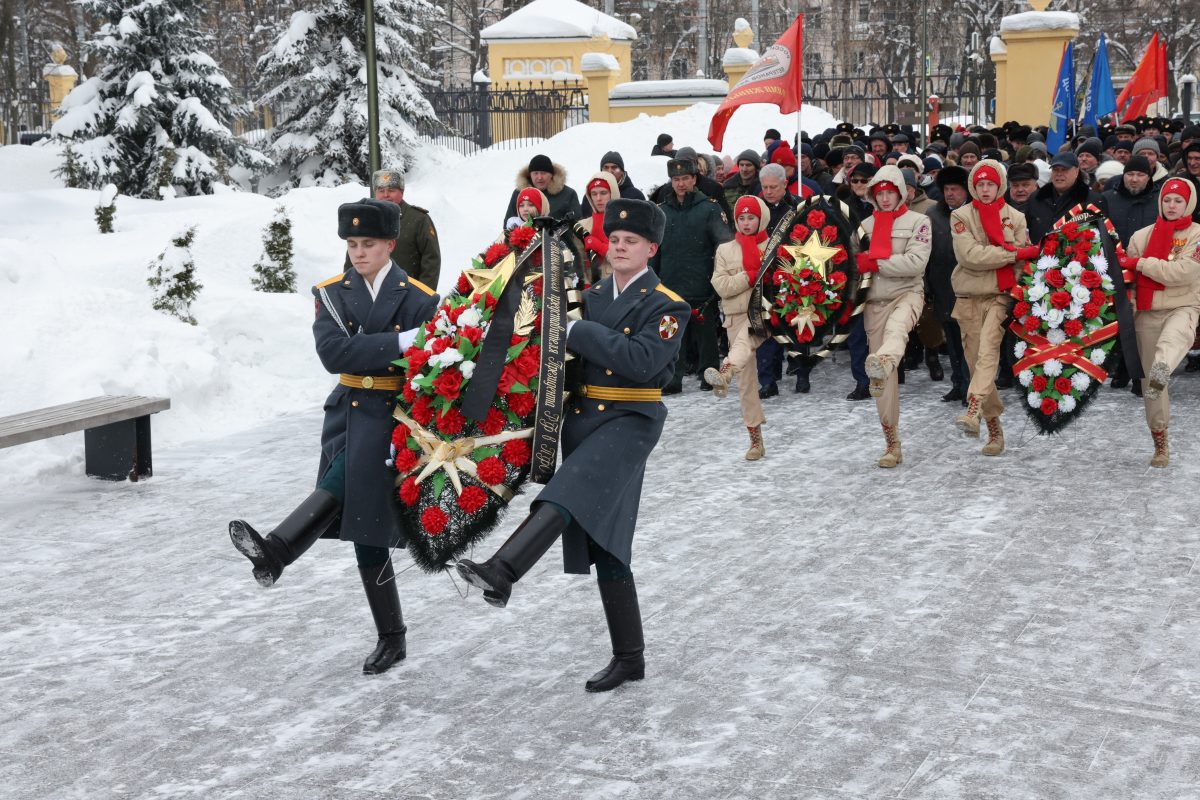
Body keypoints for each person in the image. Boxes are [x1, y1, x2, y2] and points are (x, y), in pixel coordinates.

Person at [456, 198, 690, 693]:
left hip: (631, 418)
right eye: (616, 240)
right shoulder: (589, 295)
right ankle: (630, 657)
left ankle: (504, 569)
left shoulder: (667, 303)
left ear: (652, 248)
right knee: (609, 545)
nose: (621, 247)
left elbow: (644, 361)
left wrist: (578, 331)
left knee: (569, 490)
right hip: (584, 419)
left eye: (632, 241)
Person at [227, 199, 440, 675]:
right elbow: (333, 354)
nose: (358, 253)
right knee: (368, 531)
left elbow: (424, 370)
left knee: (353, 488)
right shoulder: (331, 293)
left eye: (368, 244)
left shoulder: (420, 297)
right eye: (351, 244)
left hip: (391, 418)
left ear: (389, 245)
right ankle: (392, 637)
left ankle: (279, 550)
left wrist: (408, 420)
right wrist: (399, 344)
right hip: (346, 414)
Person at [950, 160, 1037, 456]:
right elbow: (969, 255)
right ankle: (994, 427)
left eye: (990, 184)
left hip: (1001, 295)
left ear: (999, 185)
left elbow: (1024, 259)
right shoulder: (960, 216)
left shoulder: (1016, 216)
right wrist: (1011, 253)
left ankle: (973, 408)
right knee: (977, 363)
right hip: (968, 297)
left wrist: (1016, 258)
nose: (985, 190)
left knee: (988, 351)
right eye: (980, 184)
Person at [857, 165, 933, 467]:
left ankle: (887, 360)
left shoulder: (919, 221)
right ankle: (891, 442)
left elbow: (915, 262)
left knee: (897, 333)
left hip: (907, 293)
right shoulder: (863, 226)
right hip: (875, 302)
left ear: (902, 192)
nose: (885, 198)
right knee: (882, 384)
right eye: (880, 193)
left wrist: (875, 263)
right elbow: (855, 267)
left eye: (890, 192)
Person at [1121, 178, 1200, 467]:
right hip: (1146, 312)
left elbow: (1183, 272)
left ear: (1189, 203)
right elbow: (1129, 284)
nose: (1172, 205)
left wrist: (1141, 264)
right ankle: (1160, 443)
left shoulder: (1197, 235)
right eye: (1167, 199)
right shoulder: (1140, 237)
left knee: (1170, 345)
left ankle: (1163, 368)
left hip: (1183, 305)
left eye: (1178, 200)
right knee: (1150, 386)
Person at [653, 157, 732, 392]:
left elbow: (724, 245)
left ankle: (708, 374)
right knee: (671, 335)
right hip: (670, 286)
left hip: (702, 286)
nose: (680, 184)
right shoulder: (661, 212)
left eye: (685, 178)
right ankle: (672, 378)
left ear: (694, 179)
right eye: (676, 179)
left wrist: (718, 279)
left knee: (706, 336)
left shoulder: (709, 208)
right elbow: (654, 251)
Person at [704, 195, 771, 460]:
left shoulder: (772, 247)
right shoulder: (725, 250)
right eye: (741, 218)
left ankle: (726, 368)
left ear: (760, 218)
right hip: (735, 317)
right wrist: (749, 276)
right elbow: (720, 286)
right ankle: (755, 440)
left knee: (745, 342)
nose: (745, 223)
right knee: (746, 383)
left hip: (763, 316)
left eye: (751, 217)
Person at [926, 165, 971, 404]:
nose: (950, 194)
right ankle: (957, 383)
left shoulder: (975, 213)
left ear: (966, 190)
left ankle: (969, 386)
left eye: (955, 189)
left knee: (968, 342)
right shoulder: (933, 215)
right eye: (946, 189)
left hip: (968, 288)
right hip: (941, 284)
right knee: (952, 341)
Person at [368, 169, 441, 288]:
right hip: (371, 297)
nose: (386, 195)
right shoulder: (367, 219)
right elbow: (353, 260)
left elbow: (431, 261)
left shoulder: (419, 219)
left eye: (391, 190)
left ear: (402, 192)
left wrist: (423, 296)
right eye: (381, 190)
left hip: (408, 296)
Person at [1026, 152, 1107, 243]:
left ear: (1076, 172)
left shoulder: (1092, 200)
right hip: (1037, 255)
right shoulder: (1036, 198)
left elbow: (1103, 237)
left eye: (1064, 170)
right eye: (1055, 170)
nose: (1059, 174)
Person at [502, 154, 580, 224]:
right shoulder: (519, 193)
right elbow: (508, 223)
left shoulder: (568, 194)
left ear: (551, 175)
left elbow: (578, 223)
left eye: (543, 173)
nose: (539, 177)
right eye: (535, 173)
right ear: (530, 175)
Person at [576, 172, 619, 282]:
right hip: (589, 289)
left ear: (612, 193)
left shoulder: (626, 224)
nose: (598, 198)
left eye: (603, 193)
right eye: (594, 194)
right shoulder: (582, 225)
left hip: (618, 284)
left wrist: (599, 246)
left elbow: (626, 259)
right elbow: (577, 262)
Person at [580, 151, 646, 216]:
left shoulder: (635, 196)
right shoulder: (589, 197)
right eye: (606, 168)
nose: (610, 171)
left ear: (622, 172)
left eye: (614, 167)